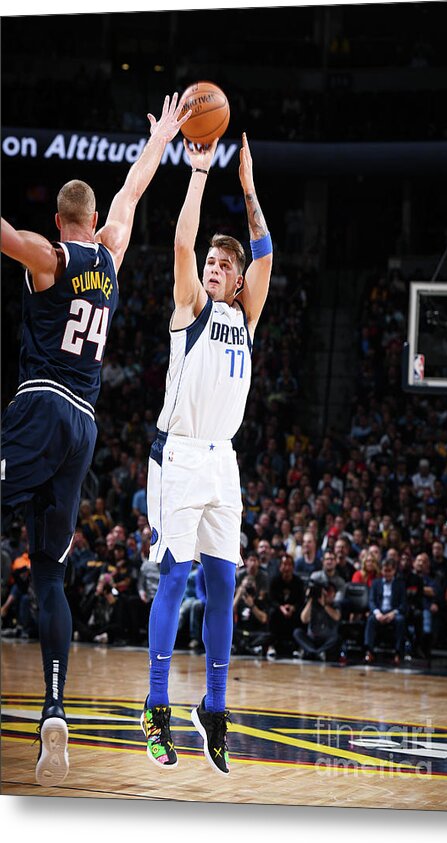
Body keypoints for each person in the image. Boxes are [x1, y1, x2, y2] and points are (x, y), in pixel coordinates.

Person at [0, 93, 191, 787]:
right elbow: (135, 188)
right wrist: (164, 136)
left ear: (58, 220)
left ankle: (53, 705)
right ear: (92, 219)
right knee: (48, 572)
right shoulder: (109, 253)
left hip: (43, 406)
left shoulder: (48, 256)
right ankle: (54, 707)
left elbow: (6, 236)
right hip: (84, 423)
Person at [141, 132, 273, 776]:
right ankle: (156, 707)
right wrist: (198, 173)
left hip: (224, 460)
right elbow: (181, 246)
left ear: (239, 275)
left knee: (223, 584)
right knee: (174, 577)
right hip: (180, 456)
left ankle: (213, 709)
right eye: (212, 264)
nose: (215, 270)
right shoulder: (190, 308)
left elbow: (267, 253)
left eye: (225, 266)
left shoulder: (247, 315)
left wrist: (247, 187)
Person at [364, 558, 407, 665]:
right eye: (385, 570)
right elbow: (371, 601)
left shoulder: (400, 584)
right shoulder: (375, 583)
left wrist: (392, 614)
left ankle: (398, 653)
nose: (386, 573)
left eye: (389, 571)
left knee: (400, 620)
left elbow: (403, 604)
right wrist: (377, 613)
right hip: (379, 612)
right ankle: (369, 651)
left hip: (393, 613)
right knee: (371, 620)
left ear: (394, 571)